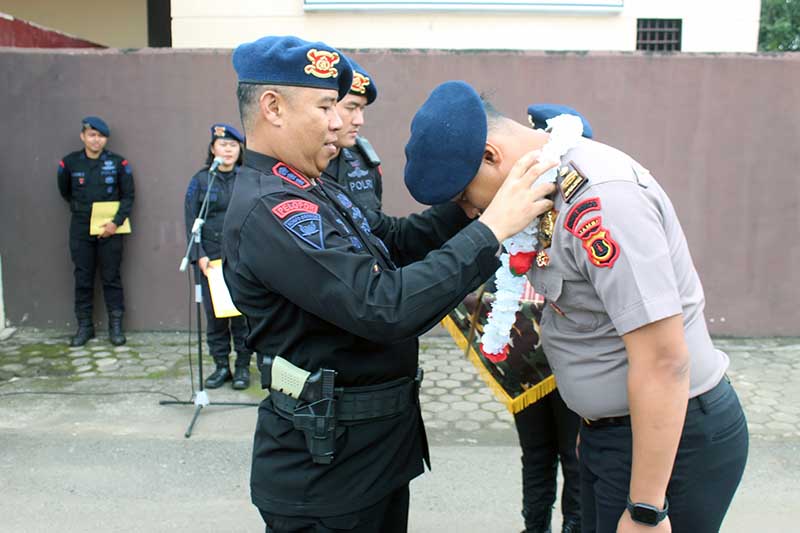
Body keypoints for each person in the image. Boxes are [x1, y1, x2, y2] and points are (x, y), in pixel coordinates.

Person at [221, 36, 556, 532]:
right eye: (325, 106)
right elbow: (383, 307)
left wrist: (476, 193)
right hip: (325, 478)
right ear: (273, 108)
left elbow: (396, 240)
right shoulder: (272, 209)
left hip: (366, 456)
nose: (340, 121)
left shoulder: (312, 185)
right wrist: (492, 228)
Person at [404, 81, 749, 533]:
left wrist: (646, 510)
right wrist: (595, 423)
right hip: (617, 434)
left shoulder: (600, 201)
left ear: (491, 156)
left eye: (466, 197)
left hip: (670, 446)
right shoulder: (549, 190)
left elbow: (664, 360)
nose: (471, 213)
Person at [508, 104, 593, 533]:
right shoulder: (517, 204)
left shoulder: (586, 206)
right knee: (536, 453)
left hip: (575, 356)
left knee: (574, 455)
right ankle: (533, 527)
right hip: (525, 354)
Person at [184, 123, 253, 389]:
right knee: (215, 318)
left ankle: (243, 368)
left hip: (240, 258)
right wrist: (197, 254)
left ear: (240, 149)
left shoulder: (246, 178)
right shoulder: (201, 180)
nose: (227, 150)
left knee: (241, 316)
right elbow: (191, 218)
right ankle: (221, 366)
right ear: (213, 149)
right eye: (222, 145)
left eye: (233, 145)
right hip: (209, 261)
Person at [58, 116, 134, 347]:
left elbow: (128, 196)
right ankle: (85, 327)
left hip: (111, 228)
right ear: (83, 136)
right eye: (92, 135)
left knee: (111, 278)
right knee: (83, 278)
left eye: (100, 136)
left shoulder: (119, 163)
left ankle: (116, 328)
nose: (96, 140)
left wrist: (115, 223)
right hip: (81, 227)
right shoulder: (69, 163)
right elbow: (65, 191)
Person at [321, 56, 383, 211]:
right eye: (351, 107)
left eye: (361, 109)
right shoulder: (298, 163)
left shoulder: (364, 160)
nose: (359, 120)